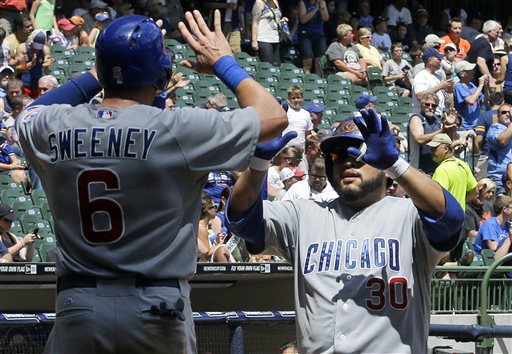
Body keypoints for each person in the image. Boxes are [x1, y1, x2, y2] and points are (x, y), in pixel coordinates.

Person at [16, 12, 287, 353]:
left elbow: (28, 114)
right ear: (160, 72)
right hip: (155, 306)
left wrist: (97, 74)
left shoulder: (56, 124)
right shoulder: (176, 128)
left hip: (78, 306)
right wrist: (223, 62)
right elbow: (274, 117)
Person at [225, 109, 464, 353]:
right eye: (338, 154)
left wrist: (396, 165)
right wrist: (257, 165)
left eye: (360, 153)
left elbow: (451, 220)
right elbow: (241, 219)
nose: (348, 162)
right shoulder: (302, 215)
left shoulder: (411, 215)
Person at [427, 133, 477, 265]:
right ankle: (458, 265)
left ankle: (454, 264)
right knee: (449, 267)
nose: (432, 152)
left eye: (435, 148)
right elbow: (474, 191)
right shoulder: (463, 165)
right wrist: (460, 202)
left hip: (444, 225)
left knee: (438, 264)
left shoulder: (442, 170)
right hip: (460, 223)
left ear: (446, 149)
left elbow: (437, 199)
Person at [408, 93, 452, 175]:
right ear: (421, 105)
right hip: (419, 167)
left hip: (436, 167)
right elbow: (419, 139)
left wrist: (451, 127)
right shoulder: (416, 118)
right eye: (427, 104)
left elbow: (448, 142)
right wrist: (442, 130)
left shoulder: (438, 120)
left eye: (434, 105)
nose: (430, 107)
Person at [412, 48, 454, 117]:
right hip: (423, 116)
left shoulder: (438, 76)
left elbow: (446, 94)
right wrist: (439, 86)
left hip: (437, 115)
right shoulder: (421, 76)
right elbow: (419, 96)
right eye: (438, 59)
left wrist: (449, 75)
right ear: (430, 61)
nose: (440, 61)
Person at [453, 60, 487, 131]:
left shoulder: (472, 85)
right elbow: (471, 101)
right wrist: (480, 85)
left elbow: (485, 101)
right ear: (462, 74)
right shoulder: (458, 86)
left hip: (477, 124)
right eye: (469, 70)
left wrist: (486, 86)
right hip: (465, 126)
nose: (472, 72)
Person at [297, 0, 329, 75]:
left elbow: (326, 18)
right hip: (306, 34)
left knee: (319, 61)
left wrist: (322, 7)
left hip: (319, 34)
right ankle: (307, 80)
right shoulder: (303, 2)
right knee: (308, 60)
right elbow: (303, 19)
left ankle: (318, 81)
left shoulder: (322, 2)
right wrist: (315, 9)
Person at [486, 102, 512, 193]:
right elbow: (502, 140)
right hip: (499, 180)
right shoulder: (495, 128)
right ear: (498, 116)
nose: (508, 114)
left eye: (510, 112)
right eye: (504, 112)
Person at [251, 0, 285, 66]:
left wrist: (282, 20)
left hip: (276, 39)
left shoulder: (275, 2)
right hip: (264, 39)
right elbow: (255, 23)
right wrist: (254, 41)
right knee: (268, 66)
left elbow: (277, 18)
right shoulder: (259, 3)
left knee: (277, 66)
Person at [282, 86, 312, 150]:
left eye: (298, 98)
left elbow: (308, 133)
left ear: (302, 98)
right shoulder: (284, 110)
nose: (296, 100)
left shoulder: (306, 114)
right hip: (284, 150)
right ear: (288, 99)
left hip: (300, 151)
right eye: (293, 98)